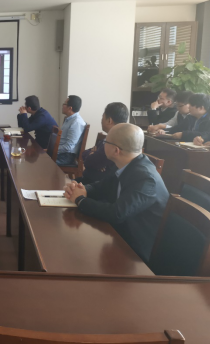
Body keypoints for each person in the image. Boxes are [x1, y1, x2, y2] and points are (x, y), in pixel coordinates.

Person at [63, 123, 169, 262]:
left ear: (116, 150)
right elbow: (101, 187)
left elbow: (116, 213)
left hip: (136, 249)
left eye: (105, 142)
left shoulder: (146, 178)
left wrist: (80, 200)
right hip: (120, 232)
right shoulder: (127, 164)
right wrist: (81, 189)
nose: (102, 146)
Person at [81, 102, 129, 184]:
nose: (101, 120)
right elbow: (84, 153)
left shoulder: (113, 142)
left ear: (109, 120)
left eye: (102, 117)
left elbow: (89, 162)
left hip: (95, 185)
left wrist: (93, 154)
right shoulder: (109, 137)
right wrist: (92, 154)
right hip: (91, 181)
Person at [57, 95, 86, 166]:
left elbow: (68, 147)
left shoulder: (76, 122)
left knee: (43, 162)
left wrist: (53, 149)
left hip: (66, 156)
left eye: (64, 104)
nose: (62, 105)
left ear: (70, 108)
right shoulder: (69, 119)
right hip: (61, 153)